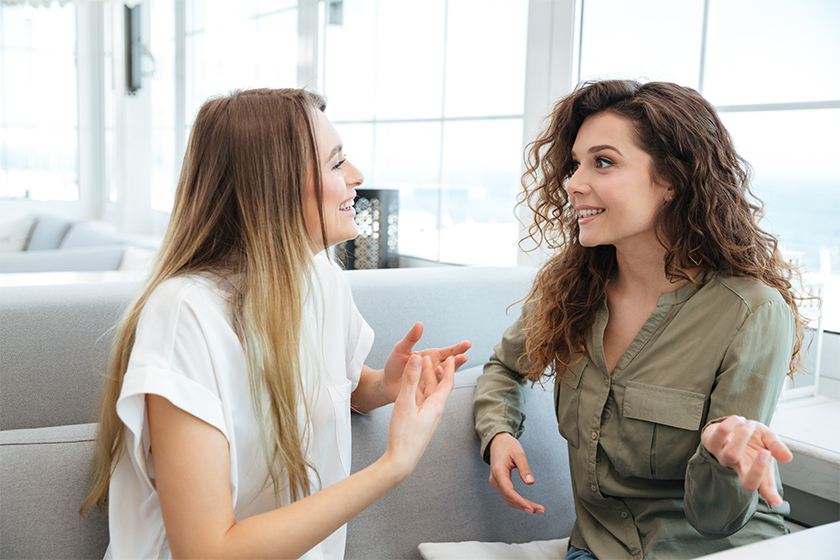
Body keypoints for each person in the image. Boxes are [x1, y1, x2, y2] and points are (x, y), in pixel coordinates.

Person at [79, 88, 470, 560]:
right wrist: (393, 464)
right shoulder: (185, 315)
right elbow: (208, 551)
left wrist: (384, 384)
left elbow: (337, 384)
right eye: (335, 163)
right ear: (275, 186)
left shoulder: (324, 280)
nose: (357, 177)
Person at [473, 80, 807, 560]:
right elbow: (504, 368)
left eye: (603, 162)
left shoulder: (752, 311)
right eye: (574, 164)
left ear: (671, 179)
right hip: (596, 548)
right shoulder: (569, 289)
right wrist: (499, 432)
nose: (572, 183)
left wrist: (717, 454)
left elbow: (718, 519)